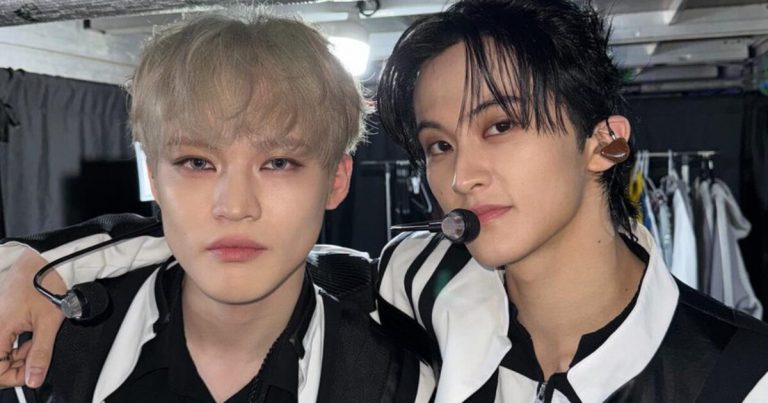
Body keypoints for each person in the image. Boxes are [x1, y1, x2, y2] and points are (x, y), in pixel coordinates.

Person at [2, 0, 768, 402]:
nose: (462, 174)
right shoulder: (420, 276)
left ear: (605, 143)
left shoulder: (740, 376)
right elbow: (270, 247)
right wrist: (36, 263)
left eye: (499, 125)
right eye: (438, 144)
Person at [0, 12, 432, 403]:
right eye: (197, 163)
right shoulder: (54, 350)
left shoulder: (400, 382)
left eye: (278, 163)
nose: (235, 207)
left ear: (336, 180)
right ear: (154, 178)